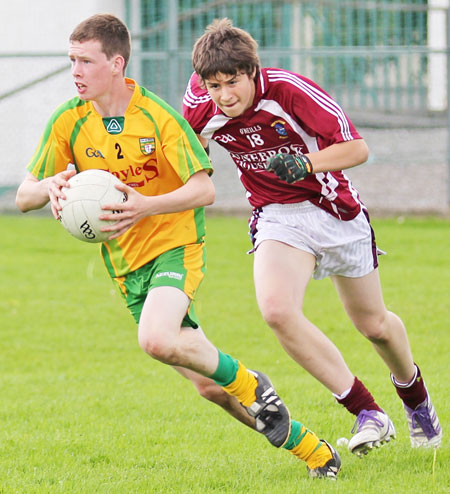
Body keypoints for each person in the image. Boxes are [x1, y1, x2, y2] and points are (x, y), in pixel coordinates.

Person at [15, 14, 341, 480]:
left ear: (116, 63)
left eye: (85, 61)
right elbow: (22, 195)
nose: (76, 71)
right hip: (127, 268)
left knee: (156, 339)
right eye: (72, 61)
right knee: (210, 388)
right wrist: (51, 187)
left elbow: (204, 189)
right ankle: (315, 452)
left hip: (175, 246)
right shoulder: (68, 121)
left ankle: (253, 383)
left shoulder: (157, 116)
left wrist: (147, 206)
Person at [182, 18, 442, 456]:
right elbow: (190, 160)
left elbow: (356, 149)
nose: (224, 96)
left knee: (374, 326)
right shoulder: (200, 104)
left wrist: (306, 164)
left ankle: (416, 401)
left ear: (253, 72)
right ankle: (367, 413)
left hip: (335, 211)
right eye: (214, 86)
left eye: (233, 83)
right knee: (278, 311)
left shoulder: (289, 90)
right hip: (277, 217)